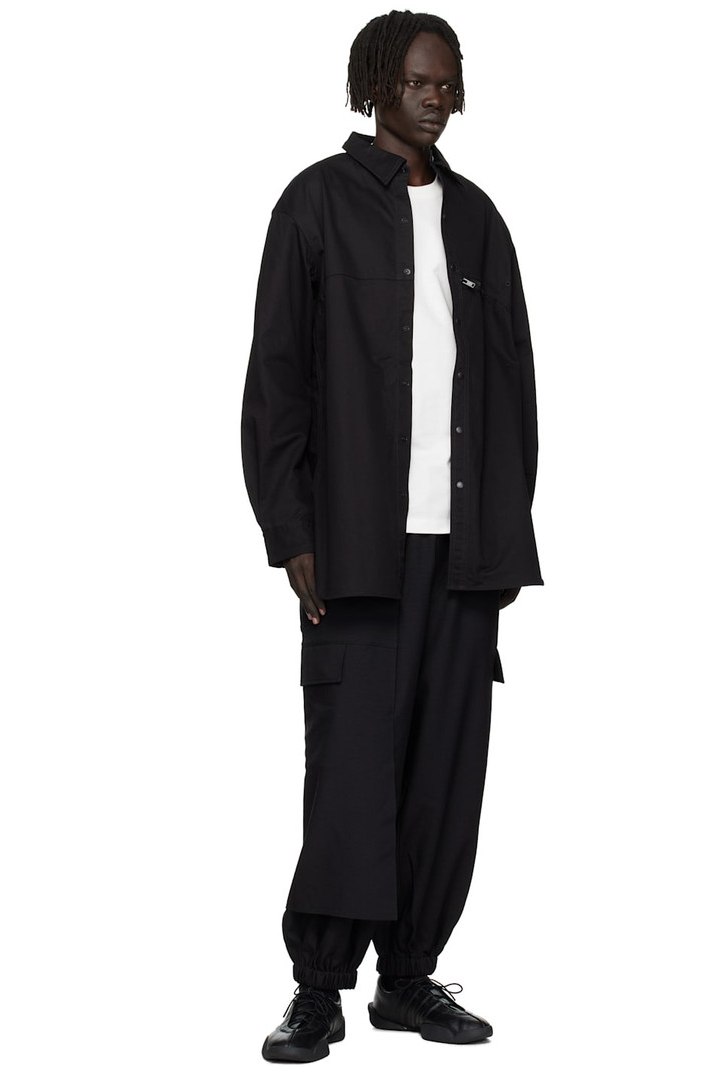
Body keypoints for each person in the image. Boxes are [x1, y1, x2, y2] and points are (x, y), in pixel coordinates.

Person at [241, 9, 543, 1061]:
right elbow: (277, 378)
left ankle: (408, 977)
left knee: (443, 778)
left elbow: (513, 387)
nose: (437, 97)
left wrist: (503, 532)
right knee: (350, 777)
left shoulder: (478, 220)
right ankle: (317, 988)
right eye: (420, 80)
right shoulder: (315, 204)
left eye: (449, 81)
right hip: (355, 547)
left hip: (462, 554)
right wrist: (291, 529)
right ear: (376, 84)